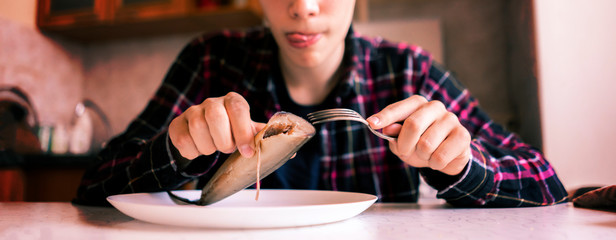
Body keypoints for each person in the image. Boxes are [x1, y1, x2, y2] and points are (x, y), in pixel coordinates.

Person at [75, 0, 568, 207]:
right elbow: (94, 188)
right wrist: (175, 150)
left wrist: (461, 164)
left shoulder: (408, 71)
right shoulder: (211, 61)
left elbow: (548, 185)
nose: (303, 7)